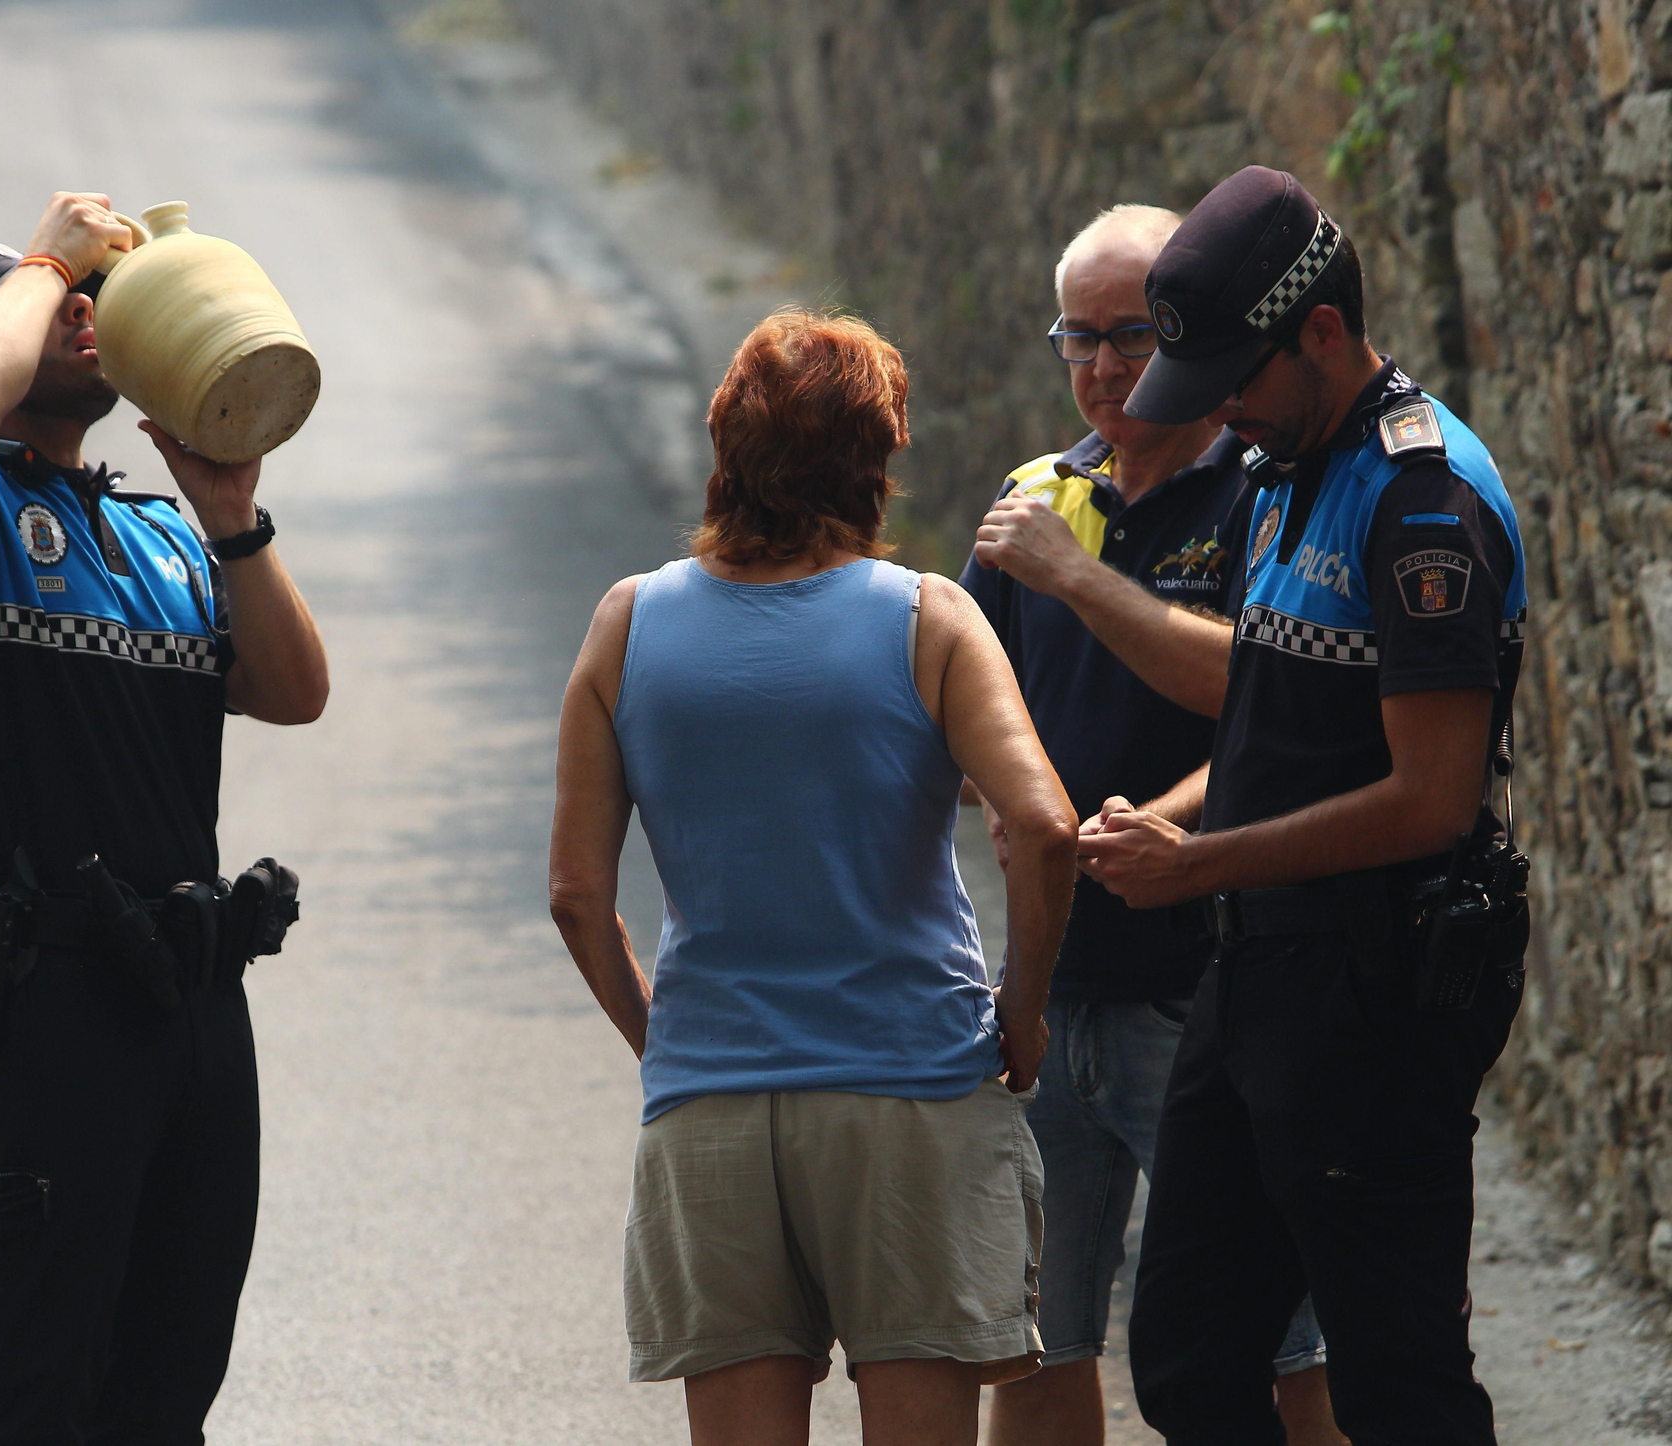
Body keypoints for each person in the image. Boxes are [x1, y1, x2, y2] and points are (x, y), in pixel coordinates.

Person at [549, 307, 1079, 1446]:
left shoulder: (626, 624)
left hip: (712, 1105)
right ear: (874, 460)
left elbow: (577, 897)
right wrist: (1021, 1013)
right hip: (910, 1092)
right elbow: (1039, 826)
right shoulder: (928, 620)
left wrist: (666, 1043)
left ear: (723, 449)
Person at [0, 191, 329, 1443]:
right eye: (60, 302)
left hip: (186, 1013)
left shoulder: (158, 534)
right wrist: (51, 252)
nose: (87, 313)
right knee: (30, 1402)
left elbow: (295, 691)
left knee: (162, 1400)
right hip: (34, 1019)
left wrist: (230, 514)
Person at [1076, 166, 1528, 1445]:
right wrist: (1165, 825)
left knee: (1396, 1383)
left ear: (1319, 331)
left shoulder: (1419, 500)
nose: (1218, 413)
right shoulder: (1284, 462)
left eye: (1236, 378)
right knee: (1183, 1357)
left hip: (1375, 987)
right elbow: (1276, 728)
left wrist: (1200, 862)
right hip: (1258, 971)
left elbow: (1430, 800)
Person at [962, 205, 1342, 1446]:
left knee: (1286, 1346)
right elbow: (963, 707)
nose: (1104, 370)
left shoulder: (1261, 495)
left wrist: (1146, 826)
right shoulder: (1032, 496)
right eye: (1079, 339)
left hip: (1203, 986)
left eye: (1132, 336)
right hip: (1042, 982)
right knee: (1032, 1344)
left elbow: (1264, 706)